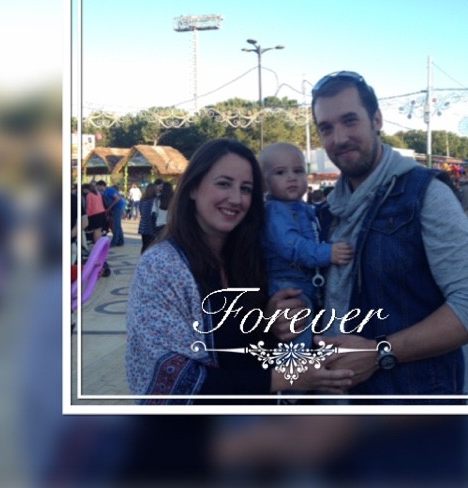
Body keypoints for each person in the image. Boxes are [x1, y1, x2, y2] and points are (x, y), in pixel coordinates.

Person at [305, 70, 468, 404]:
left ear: (376, 120)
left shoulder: (425, 194)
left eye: (350, 120)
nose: (339, 138)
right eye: (326, 128)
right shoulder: (326, 213)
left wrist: (379, 352)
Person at [126, 139, 354, 404]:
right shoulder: (162, 267)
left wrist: (270, 324)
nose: (236, 199)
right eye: (224, 184)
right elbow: (172, 381)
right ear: (193, 188)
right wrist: (285, 379)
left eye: (246, 189)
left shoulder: (253, 256)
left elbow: (244, 348)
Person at [259, 142, 353, 350]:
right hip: (287, 283)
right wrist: (328, 253)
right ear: (265, 183)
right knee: (297, 320)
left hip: (306, 281)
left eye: (298, 171)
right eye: (280, 172)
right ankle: (298, 364)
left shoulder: (303, 208)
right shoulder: (274, 211)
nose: (291, 177)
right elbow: (292, 246)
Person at [96, 180, 125, 246]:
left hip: (117, 208)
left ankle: (114, 241)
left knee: (115, 225)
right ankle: (120, 241)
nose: (97, 188)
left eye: (97, 186)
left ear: (101, 185)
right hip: (113, 209)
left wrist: (110, 207)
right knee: (117, 225)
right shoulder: (104, 192)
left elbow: (117, 199)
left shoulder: (110, 190)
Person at [137, 183, 159, 254]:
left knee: (145, 244)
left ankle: (143, 257)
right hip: (151, 225)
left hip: (143, 225)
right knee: (151, 245)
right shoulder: (155, 200)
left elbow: (141, 211)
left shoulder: (142, 200)